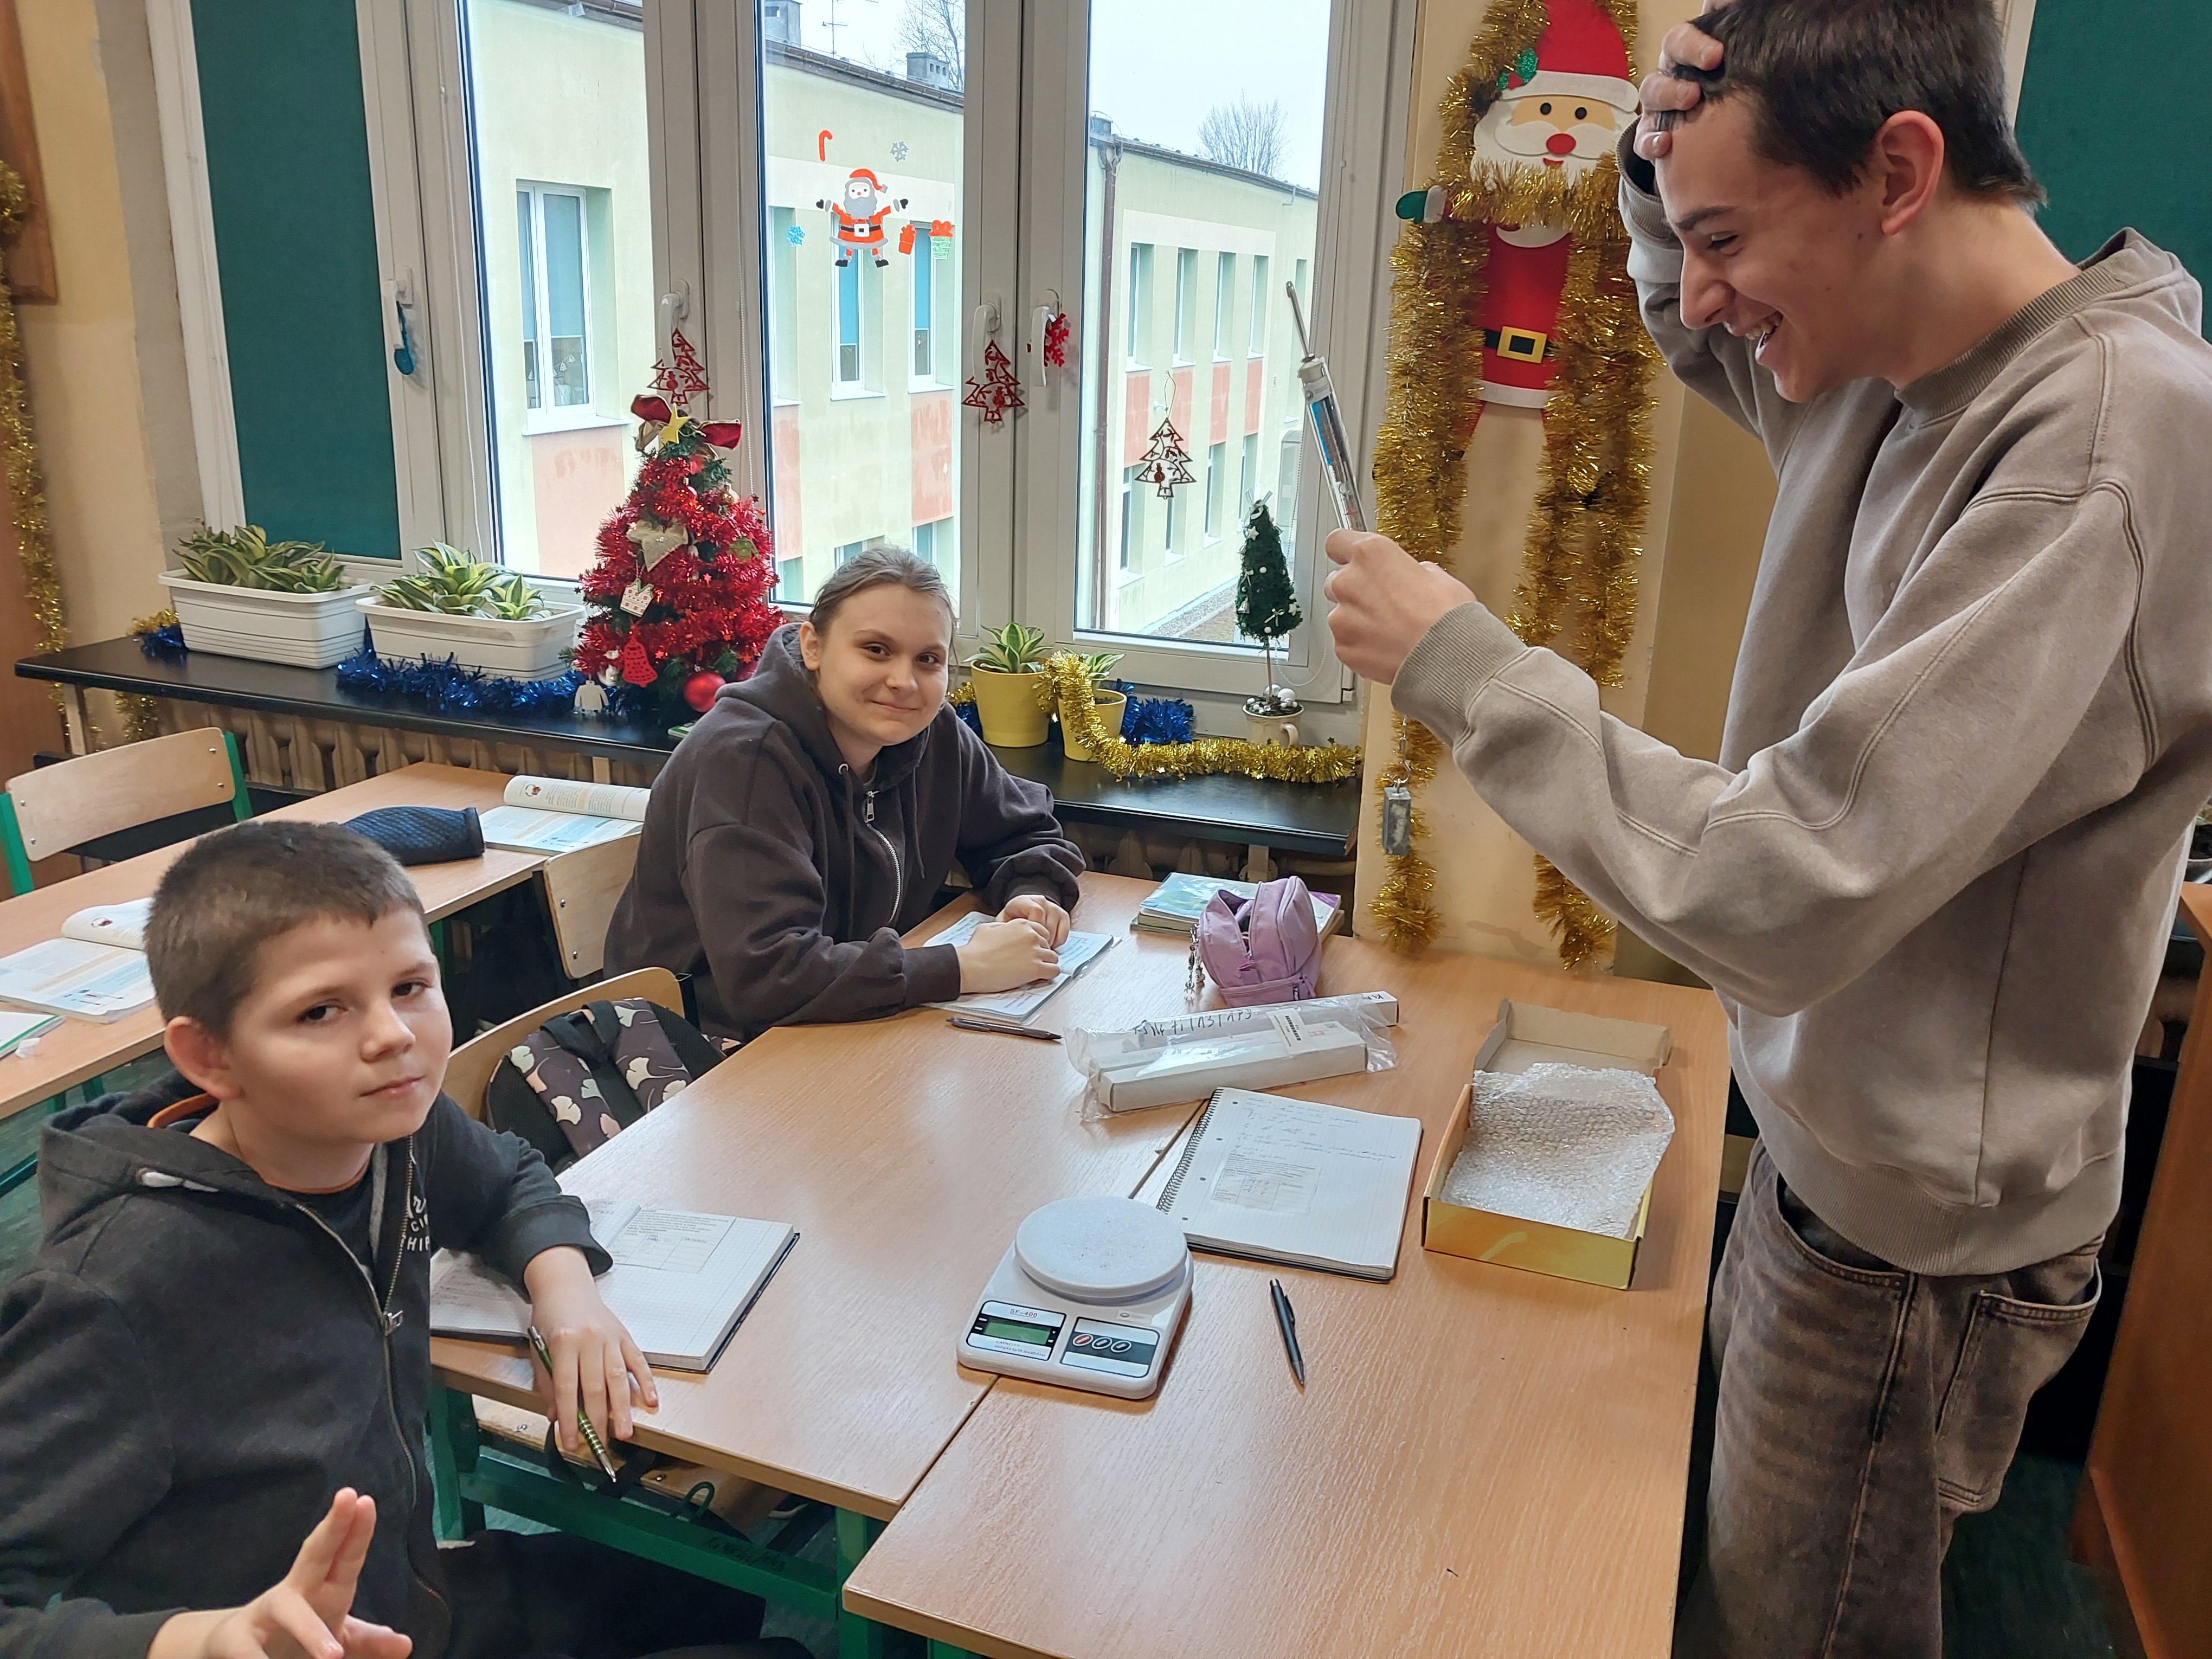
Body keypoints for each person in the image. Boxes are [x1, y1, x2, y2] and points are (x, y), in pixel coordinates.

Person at [1323, 2, 2212, 1655]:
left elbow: (1783, 884)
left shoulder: (2099, 452)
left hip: (1910, 1251)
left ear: (1899, 173)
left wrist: (1458, 664)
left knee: (1791, 1630)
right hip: (1834, 1171)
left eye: (1729, 236)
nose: (1700, 292)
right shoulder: (1900, 364)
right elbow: (1687, 317)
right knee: (1740, 1587)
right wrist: (1656, 170)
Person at [0, 820, 807, 1659]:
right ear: (210, 1058)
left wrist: (566, 1296)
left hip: (409, 1600)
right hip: (286, 1646)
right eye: (321, 1010)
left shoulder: (389, 1128)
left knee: (719, 1581)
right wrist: (200, 1642)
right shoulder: (109, 1298)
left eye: (411, 986)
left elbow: (509, 1178)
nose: (393, 1035)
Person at [605, 546, 1086, 1044]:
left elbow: (1022, 832)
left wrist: (1032, 894)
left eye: (928, 659)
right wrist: (962, 967)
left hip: (848, 1017)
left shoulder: (930, 731)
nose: (903, 681)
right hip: (704, 1046)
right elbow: (768, 975)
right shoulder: (744, 760)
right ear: (813, 646)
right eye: (876, 650)